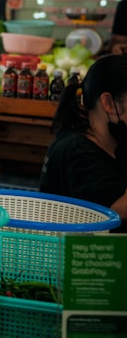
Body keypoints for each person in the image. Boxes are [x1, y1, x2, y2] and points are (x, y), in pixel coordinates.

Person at [40, 54, 127, 230]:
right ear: (108, 103)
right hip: (78, 247)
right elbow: (116, 211)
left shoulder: (114, 142)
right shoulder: (77, 150)